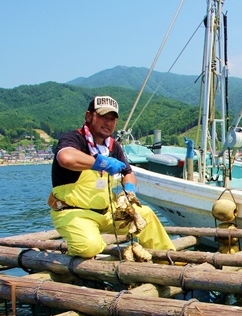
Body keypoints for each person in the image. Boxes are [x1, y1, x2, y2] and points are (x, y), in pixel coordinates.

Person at [48, 95, 176, 258]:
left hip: (108, 211)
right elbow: (66, 158)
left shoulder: (113, 146)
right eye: (102, 116)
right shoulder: (74, 139)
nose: (108, 122)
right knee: (89, 247)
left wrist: (129, 191)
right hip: (73, 212)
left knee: (145, 214)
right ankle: (83, 249)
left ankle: (169, 261)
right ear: (89, 116)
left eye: (112, 118)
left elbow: (128, 173)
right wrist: (102, 163)